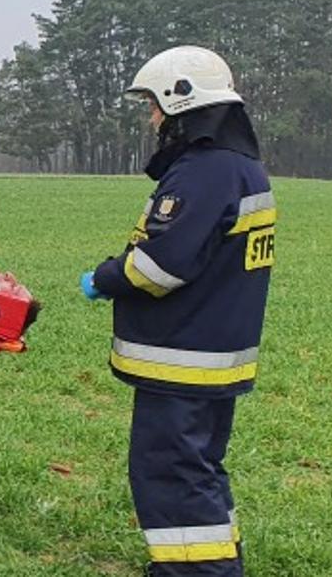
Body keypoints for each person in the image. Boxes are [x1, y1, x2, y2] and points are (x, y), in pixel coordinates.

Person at [80, 46, 271, 576]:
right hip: (216, 352)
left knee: (170, 471)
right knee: (200, 467)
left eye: (154, 106)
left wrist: (104, 277)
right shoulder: (242, 168)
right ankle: (219, 560)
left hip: (183, 356)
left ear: (181, 101)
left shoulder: (203, 172)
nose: (152, 117)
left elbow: (162, 265)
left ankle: (195, 571)